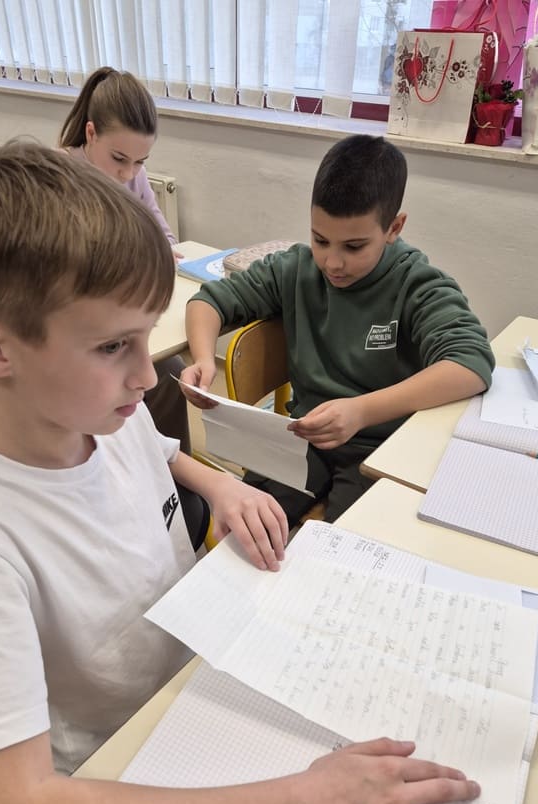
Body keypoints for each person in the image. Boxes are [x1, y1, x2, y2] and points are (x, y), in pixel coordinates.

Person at [0, 142, 479, 804]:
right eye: (113, 346)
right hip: (114, 774)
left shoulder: (95, 419)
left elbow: (154, 452)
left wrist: (217, 485)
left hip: (196, 688)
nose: (149, 377)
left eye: (146, 339)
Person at [182, 135, 495, 526]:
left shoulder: (416, 283)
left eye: (354, 246)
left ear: (394, 227)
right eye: (320, 240)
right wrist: (201, 359)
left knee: (348, 543)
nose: (332, 262)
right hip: (304, 439)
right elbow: (208, 302)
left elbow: (470, 364)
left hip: (379, 444)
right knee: (249, 524)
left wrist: (362, 411)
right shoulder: (295, 269)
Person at [59, 66, 189, 453]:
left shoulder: (133, 175)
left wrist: (162, 250)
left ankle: (171, 478)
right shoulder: (57, 178)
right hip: (76, 331)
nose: (128, 172)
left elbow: (163, 236)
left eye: (140, 161)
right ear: (91, 133)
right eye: (119, 158)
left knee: (171, 375)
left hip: (119, 320)